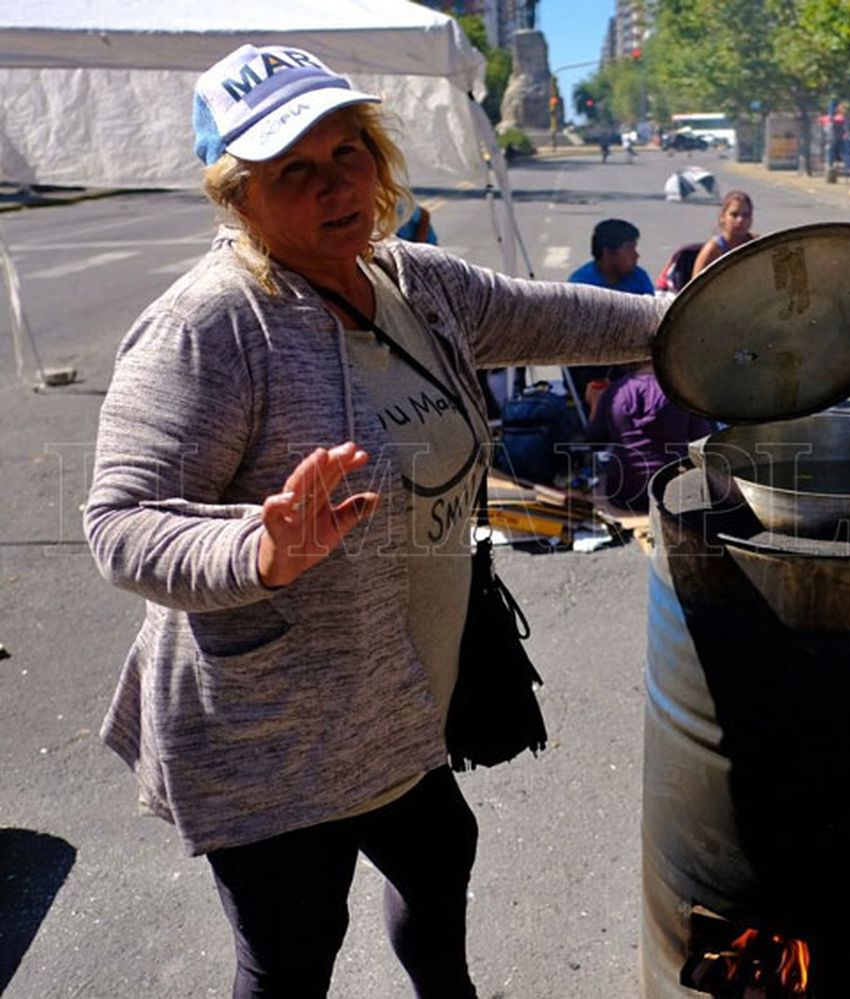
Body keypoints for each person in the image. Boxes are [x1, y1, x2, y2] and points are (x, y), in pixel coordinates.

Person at [84, 43, 666, 998]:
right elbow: (122, 522)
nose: (334, 187)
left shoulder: (413, 281)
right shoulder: (213, 325)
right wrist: (258, 548)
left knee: (441, 861)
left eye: (347, 152)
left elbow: (557, 315)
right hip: (273, 732)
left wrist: (689, 319)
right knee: (292, 952)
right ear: (237, 197)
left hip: (400, 698)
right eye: (293, 172)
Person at [584, 361, 716, 512]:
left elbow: (595, 440)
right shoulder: (681, 391)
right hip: (671, 491)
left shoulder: (614, 392)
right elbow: (704, 440)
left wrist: (595, 403)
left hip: (624, 493)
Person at [567, 217, 657, 389]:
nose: (636, 255)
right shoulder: (581, 284)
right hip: (593, 362)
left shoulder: (639, 278)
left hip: (632, 357)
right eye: (629, 248)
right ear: (608, 253)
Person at [691, 190, 757, 278]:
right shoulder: (712, 251)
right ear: (722, 217)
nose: (740, 220)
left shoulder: (756, 244)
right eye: (734, 215)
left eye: (746, 215)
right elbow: (695, 288)